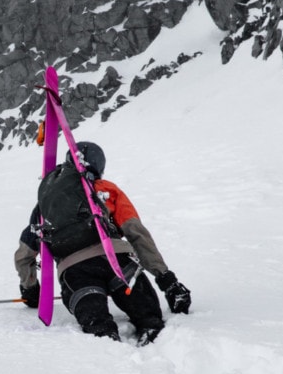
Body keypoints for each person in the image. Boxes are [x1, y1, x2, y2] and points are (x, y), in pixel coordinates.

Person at [15, 140, 191, 344]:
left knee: (98, 327)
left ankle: (108, 347)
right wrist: (167, 280)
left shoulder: (45, 207)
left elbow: (23, 256)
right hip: (118, 263)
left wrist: (31, 290)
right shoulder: (105, 189)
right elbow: (137, 234)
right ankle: (150, 334)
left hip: (74, 273)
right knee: (149, 317)